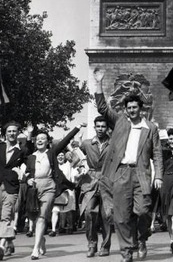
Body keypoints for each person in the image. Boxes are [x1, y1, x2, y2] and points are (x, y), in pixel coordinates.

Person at [94, 69, 163, 262]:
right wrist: (99, 83)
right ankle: (126, 252)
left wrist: (158, 176)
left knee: (142, 211)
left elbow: (157, 153)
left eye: (135, 107)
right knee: (121, 217)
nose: (131, 110)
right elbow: (102, 108)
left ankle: (142, 238)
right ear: (125, 110)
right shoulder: (119, 122)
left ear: (141, 109)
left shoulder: (151, 128)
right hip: (121, 174)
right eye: (129, 108)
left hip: (141, 174)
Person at [26, 125, 84, 260]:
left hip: (49, 187)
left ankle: (35, 249)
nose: (40, 141)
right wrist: (28, 179)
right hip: (34, 189)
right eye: (38, 139)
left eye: (43, 139)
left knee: (42, 217)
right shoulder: (31, 157)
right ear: (35, 141)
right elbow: (28, 172)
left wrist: (77, 128)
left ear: (47, 141)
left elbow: (65, 141)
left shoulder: (51, 153)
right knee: (34, 218)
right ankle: (41, 240)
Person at [78, 115, 112, 257]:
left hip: (107, 180)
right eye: (98, 126)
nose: (100, 129)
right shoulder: (86, 143)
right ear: (94, 127)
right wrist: (80, 166)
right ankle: (92, 244)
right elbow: (77, 155)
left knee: (107, 215)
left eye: (103, 126)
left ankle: (105, 246)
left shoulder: (113, 143)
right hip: (90, 181)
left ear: (107, 128)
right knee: (89, 212)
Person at [0, 122, 29, 259]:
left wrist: (23, 174)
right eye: (9, 131)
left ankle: (1, 246)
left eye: (14, 131)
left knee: (6, 215)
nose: (12, 133)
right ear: (5, 133)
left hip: (11, 187)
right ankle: (9, 241)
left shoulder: (22, 150)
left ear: (18, 134)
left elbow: (30, 165)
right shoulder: (0, 147)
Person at [49, 152, 78, 237]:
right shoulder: (53, 167)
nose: (60, 157)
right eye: (58, 155)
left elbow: (77, 159)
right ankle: (54, 229)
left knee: (69, 210)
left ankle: (70, 226)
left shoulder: (68, 165)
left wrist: (70, 151)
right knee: (55, 210)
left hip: (68, 190)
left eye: (62, 155)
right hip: (57, 191)